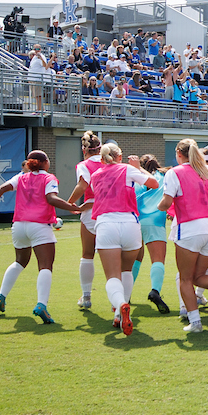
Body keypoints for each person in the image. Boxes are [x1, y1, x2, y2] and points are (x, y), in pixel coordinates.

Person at [0, 150, 80, 324]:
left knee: (19, 262)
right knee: (45, 266)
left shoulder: (21, 177)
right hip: (40, 226)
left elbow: (0, 189)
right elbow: (51, 199)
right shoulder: (49, 178)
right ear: (44, 163)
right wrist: (74, 208)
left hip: (19, 225)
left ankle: (1, 296)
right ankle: (41, 304)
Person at [158, 139, 208, 333]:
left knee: (185, 279)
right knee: (199, 276)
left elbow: (166, 203)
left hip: (190, 228)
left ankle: (195, 322)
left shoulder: (175, 173)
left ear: (178, 153)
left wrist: (153, 208)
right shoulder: (206, 174)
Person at [90, 141, 160, 335]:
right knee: (127, 271)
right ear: (119, 156)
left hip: (106, 224)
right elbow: (154, 184)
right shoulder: (127, 169)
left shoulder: (95, 175)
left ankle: (120, 305)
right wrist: (139, 169)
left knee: (112, 275)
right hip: (130, 223)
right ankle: (121, 313)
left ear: (102, 158)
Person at [65, 131, 103, 310]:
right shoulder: (111, 163)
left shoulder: (84, 164)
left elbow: (82, 185)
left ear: (84, 149)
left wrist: (70, 203)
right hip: (113, 210)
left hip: (91, 211)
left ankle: (86, 297)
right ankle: (120, 300)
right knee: (116, 258)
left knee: (87, 254)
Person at [133, 154, 171, 314]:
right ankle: (155, 290)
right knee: (158, 260)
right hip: (155, 220)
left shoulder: (136, 177)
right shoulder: (164, 175)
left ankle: (125, 294)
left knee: (135, 259)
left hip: (135, 220)